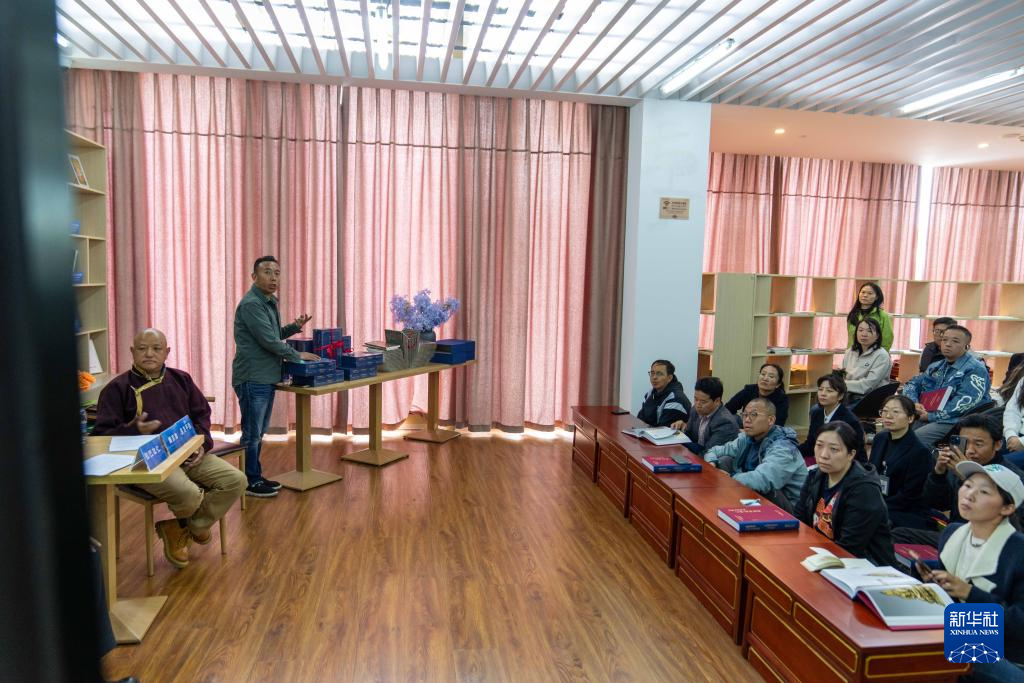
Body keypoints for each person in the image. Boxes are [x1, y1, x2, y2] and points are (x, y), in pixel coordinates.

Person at [92, 328, 247, 569]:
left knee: (236, 480)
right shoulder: (117, 388)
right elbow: (101, 435)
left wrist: (202, 444)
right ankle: (190, 526)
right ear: (132, 351)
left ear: (167, 352)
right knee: (189, 494)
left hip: (187, 454)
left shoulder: (181, 379)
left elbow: (201, 415)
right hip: (145, 462)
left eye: (156, 349)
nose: (149, 354)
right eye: (142, 349)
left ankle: (181, 528)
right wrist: (133, 430)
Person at [918, 462, 1024, 683]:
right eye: (967, 485)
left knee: (934, 652)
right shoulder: (953, 534)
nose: (969, 495)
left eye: (984, 492)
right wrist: (933, 579)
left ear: (1007, 508)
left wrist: (969, 593)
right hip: (963, 631)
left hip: (1009, 655)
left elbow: (1019, 623)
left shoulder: (1018, 551)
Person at [232, 255, 319, 497]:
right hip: (253, 377)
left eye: (277, 273)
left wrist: (294, 326)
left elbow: (273, 334)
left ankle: (254, 476)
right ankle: (249, 482)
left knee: (258, 432)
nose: (273, 277)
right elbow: (269, 341)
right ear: (254, 276)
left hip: (265, 376)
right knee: (252, 433)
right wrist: (298, 356)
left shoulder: (268, 302)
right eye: (267, 272)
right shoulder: (252, 304)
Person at [893, 414, 1024, 549]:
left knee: (900, 535)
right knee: (897, 528)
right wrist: (938, 474)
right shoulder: (960, 464)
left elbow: (1009, 525)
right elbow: (937, 504)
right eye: (965, 443)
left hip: (986, 543)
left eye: (978, 444)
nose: (970, 450)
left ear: (997, 445)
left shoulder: (1013, 479)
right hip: (955, 532)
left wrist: (966, 478)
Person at [795, 422, 896, 567]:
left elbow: (850, 547)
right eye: (819, 445)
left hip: (861, 565)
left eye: (834, 449)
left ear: (851, 454)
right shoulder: (815, 476)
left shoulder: (864, 490)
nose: (823, 455)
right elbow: (799, 521)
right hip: (820, 554)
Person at [705, 398, 807, 511]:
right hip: (755, 495)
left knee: (762, 487)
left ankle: (737, 509)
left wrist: (729, 478)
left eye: (754, 415)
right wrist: (712, 463)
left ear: (771, 420)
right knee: (724, 460)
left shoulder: (784, 447)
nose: (747, 420)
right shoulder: (746, 438)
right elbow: (713, 451)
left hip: (790, 508)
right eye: (744, 415)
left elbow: (763, 480)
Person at [902, 324, 992, 447]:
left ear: (967, 346)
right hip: (926, 414)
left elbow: (964, 403)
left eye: (955, 341)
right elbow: (912, 384)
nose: (948, 344)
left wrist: (930, 416)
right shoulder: (936, 366)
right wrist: (914, 404)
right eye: (944, 340)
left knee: (916, 438)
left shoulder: (975, 369)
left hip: (958, 420)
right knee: (892, 431)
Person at [868, 395, 932, 529]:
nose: (888, 416)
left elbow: (909, 496)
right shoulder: (880, 438)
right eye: (885, 411)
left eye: (895, 412)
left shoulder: (919, 451)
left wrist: (877, 506)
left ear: (910, 418)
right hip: (877, 500)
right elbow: (871, 472)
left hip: (902, 510)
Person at [798, 373, 865, 465]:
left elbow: (855, 454)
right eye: (820, 389)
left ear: (840, 396)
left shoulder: (850, 420)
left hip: (843, 464)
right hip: (822, 459)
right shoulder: (817, 413)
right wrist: (792, 451)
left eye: (829, 391)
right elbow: (810, 444)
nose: (823, 394)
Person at [669, 376, 738, 452]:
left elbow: (709, 452)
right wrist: (681, 429)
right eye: (696, 399)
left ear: (717, 401)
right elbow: (688, 437)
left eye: (703, 402)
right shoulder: (695, 410)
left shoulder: (725, 423)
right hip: (694, 453)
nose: (697, 405)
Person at [840, 318, 892, 403]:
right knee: (821, 406)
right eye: (860, 330)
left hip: (868, 399)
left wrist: (841, 385)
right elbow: (842, 374)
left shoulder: (881, 355)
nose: (864, 334)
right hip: (847, 395)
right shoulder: (850, 351)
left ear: (877, 336)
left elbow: (867, 386)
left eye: (869, 331)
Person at [724, 363, 790, 427]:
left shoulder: (781, 399)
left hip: (765, 430)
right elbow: (728, 409)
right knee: (731, 418)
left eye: (771, 376)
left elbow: (778, 425)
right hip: (746, 424)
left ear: (778, 384)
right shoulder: (749, 390)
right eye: (763, 374)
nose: (765, 378)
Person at [637, 359, 692, 427]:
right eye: (652, 373)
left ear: (669, 378)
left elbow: (663, 429)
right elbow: (640, 419)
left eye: (659, 374)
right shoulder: (649, 394)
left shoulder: (676, 398)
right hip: (649, 432)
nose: (654, 377)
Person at [846, 282, 894, 351]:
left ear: (876, 297)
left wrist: (879, 354)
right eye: (863, 292)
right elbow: (851, 339)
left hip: (875, 355)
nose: (865, 295)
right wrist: (850, 353)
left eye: (870, 293)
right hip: (854, 354)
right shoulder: (853, 314)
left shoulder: (883, 316)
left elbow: (887, 339)